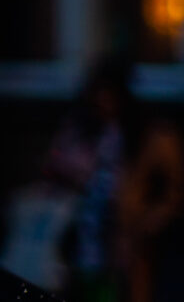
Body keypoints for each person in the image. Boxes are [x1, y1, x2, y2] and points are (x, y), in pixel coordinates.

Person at [38, 58, 137, 302]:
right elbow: (54, 165)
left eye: (111, 94)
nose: (105, 101)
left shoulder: (129, 132)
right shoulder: (78, 129)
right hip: (77, 225)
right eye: (101, 94)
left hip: (113, 229)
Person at [124, 108, 184, 302]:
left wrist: (156, 217)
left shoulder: (163, 138)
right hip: (144, 242)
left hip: (163, 242)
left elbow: (174, 189)